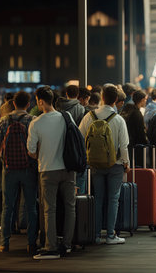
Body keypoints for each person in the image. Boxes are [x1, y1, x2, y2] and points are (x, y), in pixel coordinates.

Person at [28, 86, 76, 260]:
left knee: (49, 210)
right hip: (68, 170)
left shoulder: (36, 122)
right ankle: (68, 244)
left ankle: (51, 247)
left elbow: (31, 152)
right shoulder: (66, 116)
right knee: (70, 207)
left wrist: (43, 151)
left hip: (48, 170)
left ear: (41, 101)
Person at [79, 85, 129, 245]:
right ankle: (110, 235)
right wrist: (126, 163)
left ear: (101, 96)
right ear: (115, 100)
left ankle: (95, 235)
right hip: (115, 164)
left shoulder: (89, 116)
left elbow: (80, 138)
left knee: (98, 198)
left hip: (95, 164)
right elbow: (124, 145)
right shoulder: (119, 119)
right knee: (113, 199)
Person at [0, 91, 39, 255]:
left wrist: (6, 158)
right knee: (31, 206)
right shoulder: (32, 121)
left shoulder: (3, 121)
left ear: (13, 104)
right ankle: (31, 243)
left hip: (9, 169)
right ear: (28, 104)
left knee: (8, 207)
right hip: (29, 170)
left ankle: (4, 244)